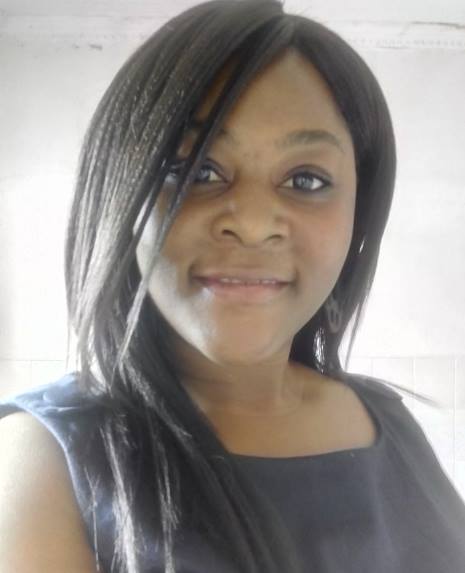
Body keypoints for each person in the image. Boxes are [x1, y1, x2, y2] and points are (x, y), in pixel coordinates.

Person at [1, 0, 464, 572]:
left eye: (306, 179)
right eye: (196, 171)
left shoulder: (388, 421)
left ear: (357, 213)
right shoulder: (41, 461)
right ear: (122, 197)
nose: (252, 222)